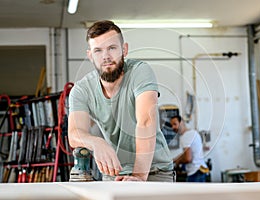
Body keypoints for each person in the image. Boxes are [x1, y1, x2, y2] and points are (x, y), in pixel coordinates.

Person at [68, 20, 174, 182]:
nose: (106, 56)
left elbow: (146, 122)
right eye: (98, 50)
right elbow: (75, 133)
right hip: (114, 175)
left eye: (112, 48)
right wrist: (96, 143)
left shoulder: (140, 72)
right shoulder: (82, 90)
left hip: (154, 171)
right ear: (90, 55)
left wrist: (138, 176)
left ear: (124, 49)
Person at [170, 115, 208, 182]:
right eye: (171, 125)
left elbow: (188, 158)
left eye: (175, 124)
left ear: (181, 122)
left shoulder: (186, 136)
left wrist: (178, 162)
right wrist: (174, 160)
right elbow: (185, 153)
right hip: (199, 170)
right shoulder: (191, 133)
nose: (173, 127)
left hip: (195, 173)